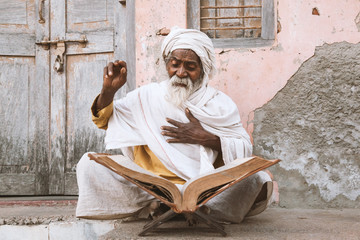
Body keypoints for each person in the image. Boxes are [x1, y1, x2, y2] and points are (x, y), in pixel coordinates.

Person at [76, 27, 274, 223]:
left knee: (258, 179)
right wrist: (108, 91)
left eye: (190, 66)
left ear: (203, 69)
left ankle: (186, 207)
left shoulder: (220, 104)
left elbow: (244, 149)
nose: (180, 72)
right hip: (150, 187)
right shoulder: (146, 97)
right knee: (89, 164)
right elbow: (103, 120)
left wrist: (206, 137)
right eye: (175, 64)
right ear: (167, 65)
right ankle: (168, 206)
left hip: (205, 188)